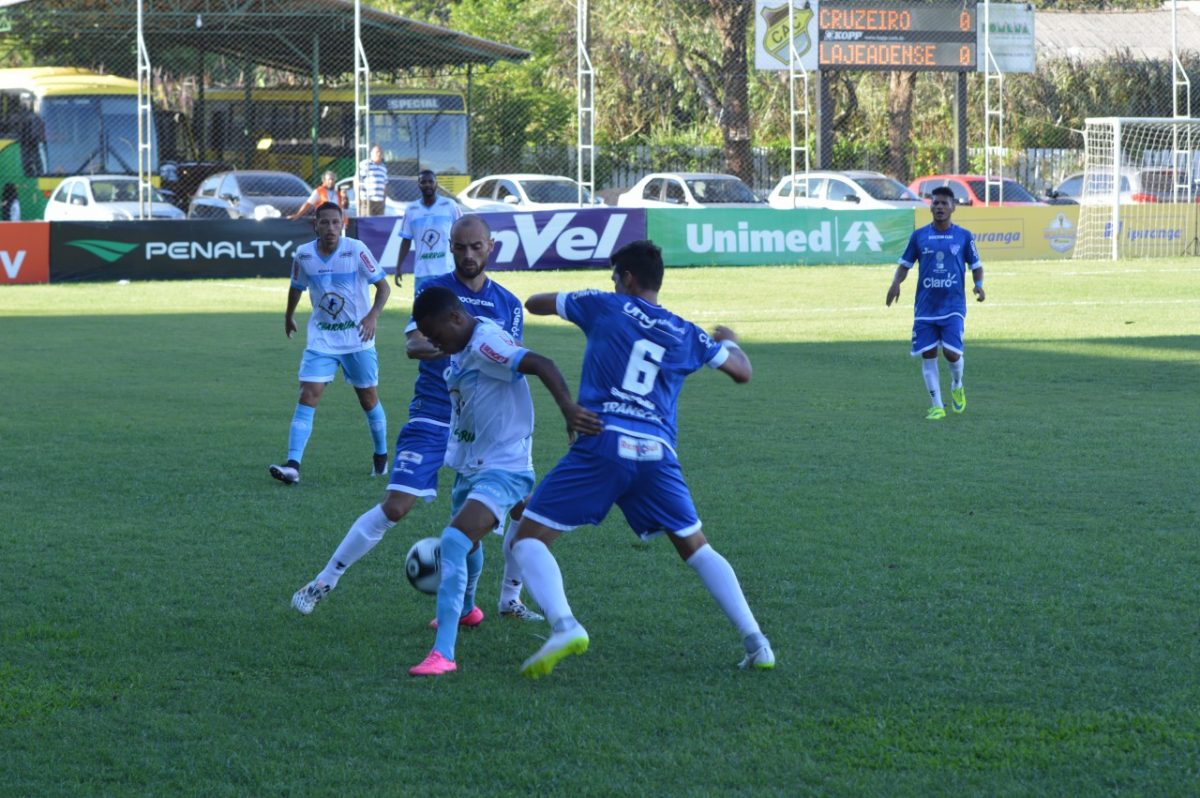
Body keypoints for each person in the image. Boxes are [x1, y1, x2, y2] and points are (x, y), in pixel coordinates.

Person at [509, 239, 775, 679]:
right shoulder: (687, 332)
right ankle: (757, 641)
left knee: (527, 540)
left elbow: (533, 303)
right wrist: (728, 338)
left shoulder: (603, 305)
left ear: (627, 278)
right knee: (695, 546)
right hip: (657, 454)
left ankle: (564, 625)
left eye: (615, 276)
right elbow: (742, 371)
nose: (612, 284)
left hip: (603, 440)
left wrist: (579, 301)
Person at [291, 214, 546, 628]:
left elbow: (511, 359)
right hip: (433, 411)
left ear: (490, 248)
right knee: (395, 506)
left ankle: (509, 599)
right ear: (450, 247)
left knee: (521, 507)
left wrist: (465, 349)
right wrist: (467, 349)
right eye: (460, 247)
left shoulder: (509, 304)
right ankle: (323, 581)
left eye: (476, 247)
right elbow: (415, 345)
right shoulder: (434, 290)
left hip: (487, 426)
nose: (468, 255)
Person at [406, 286, 601, 677]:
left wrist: (567, 408)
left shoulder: (486, 343)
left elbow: (541, 363)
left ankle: (443, 653)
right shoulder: (462, 345)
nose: (432, 342)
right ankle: (466, 610)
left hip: (504, 466)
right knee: (467, 540)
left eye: (435, 333)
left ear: (456, 318)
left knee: (454, 541)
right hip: (471, 462)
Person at [269, 201, 391, 485]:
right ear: (316, 224)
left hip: (357, 340)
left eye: (336, 222)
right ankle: (293, 465)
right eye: (325, 222)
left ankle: (381, 456)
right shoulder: (304, 255)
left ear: (343, 223)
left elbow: (382, 287)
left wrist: (372, 316)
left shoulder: (357, 250)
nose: (331, 228)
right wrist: (289, 317)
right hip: (321, 339)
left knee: (368, 399)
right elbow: (296, 288)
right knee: (307, 395)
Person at [886, 185, 985, 420]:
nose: (939, 207)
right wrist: (895, 283)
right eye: (935, 203)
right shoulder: (919, 236)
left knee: (951, 353)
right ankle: (937, 405)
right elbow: (905, 265)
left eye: (944, 203)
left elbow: (976, 266)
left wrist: (979, 285)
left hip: (953, 306)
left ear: (953, 207)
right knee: (928, 353)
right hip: (925, 307)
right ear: (930, 206)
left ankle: (957, 385)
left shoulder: (964, 236)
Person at [393, 169, 460, 289]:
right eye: (423, 182)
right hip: (422, 272)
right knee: (422, 307)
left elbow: (462, 233)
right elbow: (406, 240)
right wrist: (398, 267)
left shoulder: (450, 205)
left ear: (436, 183)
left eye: (431, 181)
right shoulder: (411, 210)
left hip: (446, 270)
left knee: (449, 307)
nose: (427, 184)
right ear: (419, 185)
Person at [358, 144, 388, 216]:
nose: (379, 154)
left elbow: (385, 184)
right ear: (371, 153)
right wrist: (358, 198)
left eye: (381, 152)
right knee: (367, 223)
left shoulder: (383, 167)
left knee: (379, 223)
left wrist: (384, 199)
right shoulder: (365, 164)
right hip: (367, 200)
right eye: (377, 152)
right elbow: (357, 181)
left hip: (380, 202)